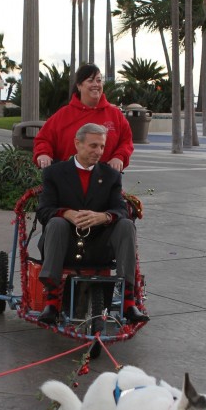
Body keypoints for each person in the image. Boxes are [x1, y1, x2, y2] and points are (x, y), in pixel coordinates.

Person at [35, 123, 148, 326]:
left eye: (102, 147)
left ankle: (128, 302)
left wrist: (103, 217)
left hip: (98, 245)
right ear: (77, 144)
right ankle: (51, 302)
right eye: (93, 146)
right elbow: (43, 211)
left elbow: (121, 210)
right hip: (64, 244)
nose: (99, 152)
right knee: (56, 223)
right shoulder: (55, 173)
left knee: (126, 225)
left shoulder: (111, 176)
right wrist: (67, 213)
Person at [33, 63, 133, 171]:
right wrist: (43, 154)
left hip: (105, 179)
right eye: (90, 80)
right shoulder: (63, 114)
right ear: (79, 85)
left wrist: (119, 157)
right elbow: (43, 139)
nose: (96, 84)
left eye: (99, 80)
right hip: (67, 177)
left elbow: (126, 141)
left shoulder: (115, 115)